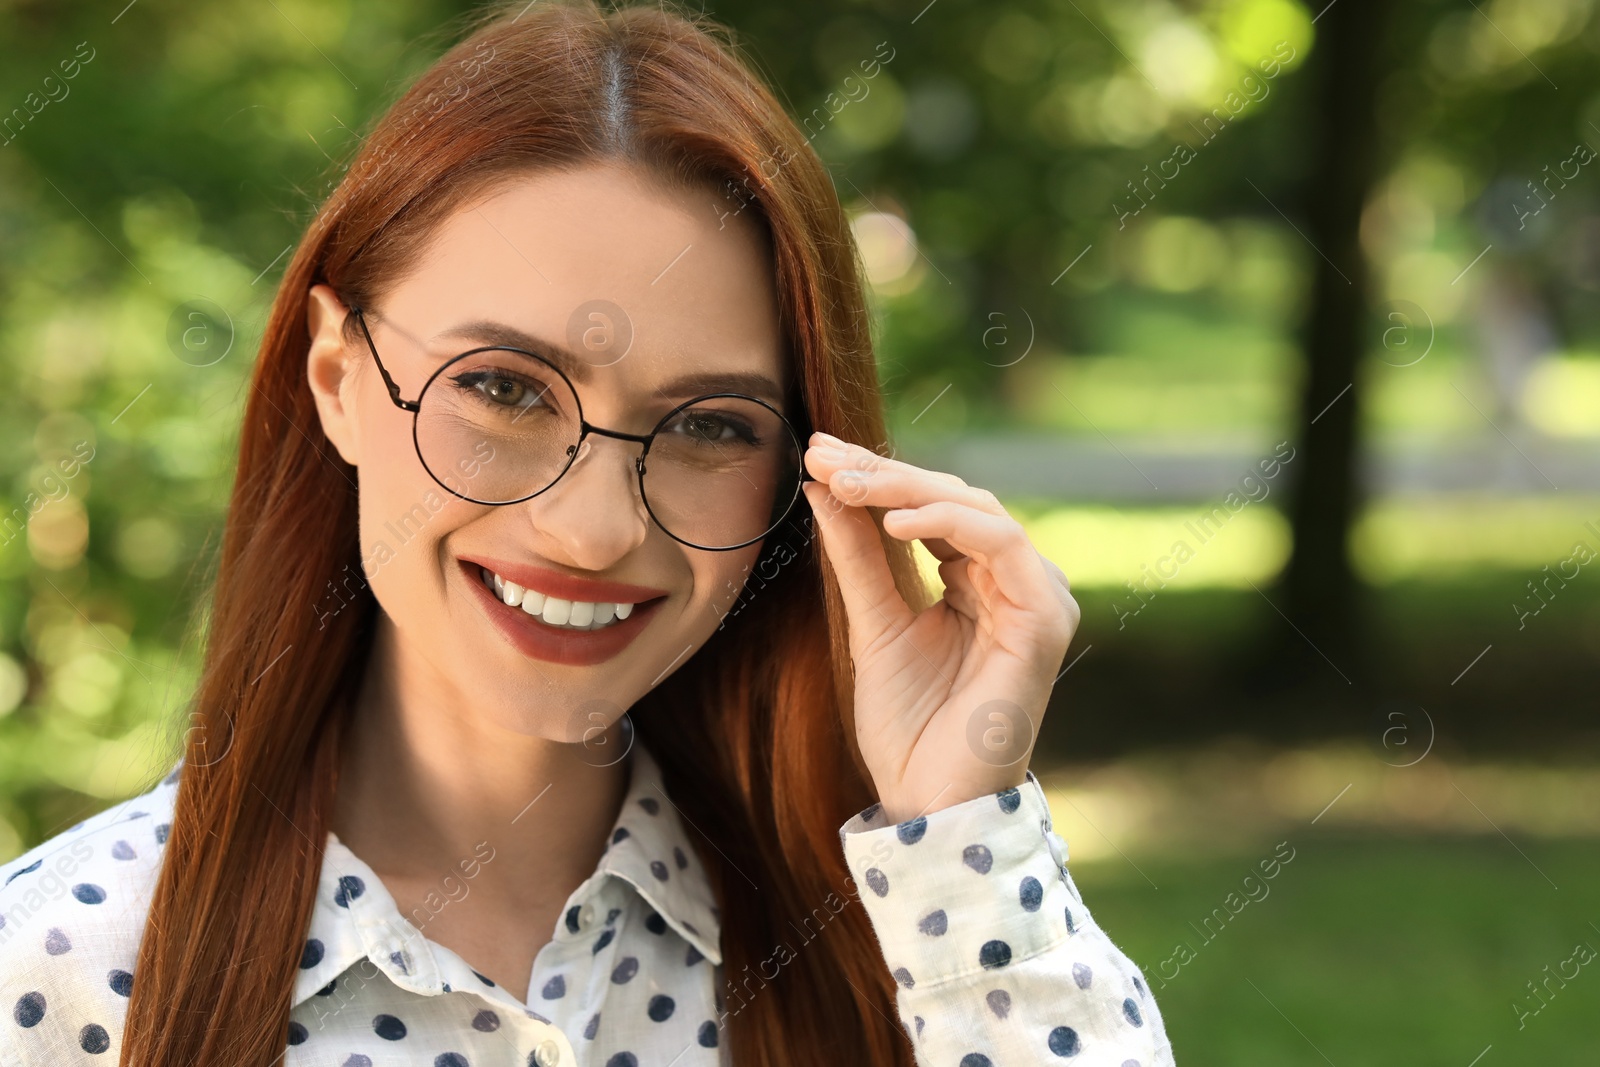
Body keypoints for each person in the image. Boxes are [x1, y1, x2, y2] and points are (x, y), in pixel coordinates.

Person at [0, 2, 1175, 1065]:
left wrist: (963, 830)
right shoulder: (59, 967)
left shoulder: (913, 943)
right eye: (505, 388)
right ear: (338, 373)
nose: (591, 528)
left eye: (711, 423)